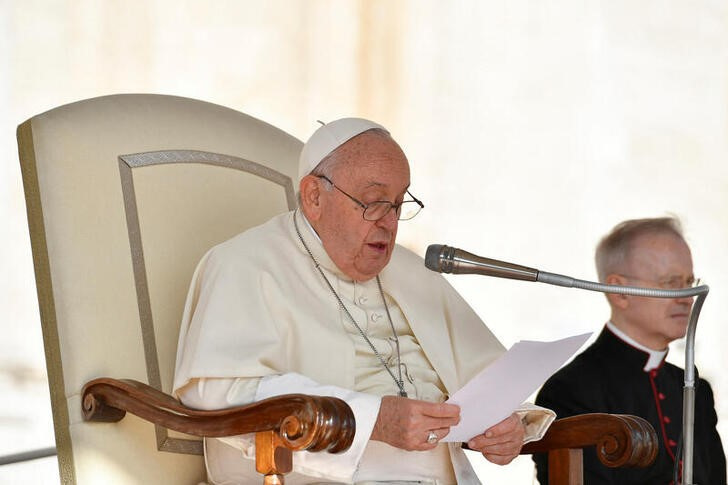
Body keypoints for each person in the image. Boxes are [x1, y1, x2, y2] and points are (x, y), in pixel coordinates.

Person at [173, 118, 555, 484]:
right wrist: (370, 419)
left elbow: (487, 379)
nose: (389, 221)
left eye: (399, 203)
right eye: (373, 202)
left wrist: (509, 423)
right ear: (313, 197)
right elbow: (217, 393)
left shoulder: (411, 270)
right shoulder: (245, 264)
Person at [533, 217, 726, 484]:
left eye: (689, 281)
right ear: (620, 292)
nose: (687, 297)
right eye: (671, 283)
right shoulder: (571, 390)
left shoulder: (696, 390)